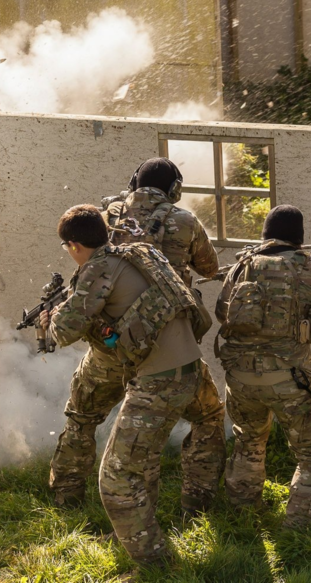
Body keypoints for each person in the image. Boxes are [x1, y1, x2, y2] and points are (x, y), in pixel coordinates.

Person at [45, 204, 224, 565]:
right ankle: (146, 529)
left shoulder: (97, 269)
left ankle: (156, 562)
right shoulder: (140, 252)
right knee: (141, 462)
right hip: (190, 370)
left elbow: (63, 332)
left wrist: (51, 318)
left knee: (116, 479)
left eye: (67, 248)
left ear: (75, 245)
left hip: (161, 382)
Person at [214, 204, 311, 529]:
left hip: (240, 377)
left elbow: (222, 312)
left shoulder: (242, 266)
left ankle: (241, 512)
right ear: (300, 237)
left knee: (248, 441)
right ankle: (299, 526)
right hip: (291, 379)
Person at [104, 157, 219, 286]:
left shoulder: (110, 214)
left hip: (116, 302)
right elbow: (209, 269)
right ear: (175, 189)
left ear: (134, 184)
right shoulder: (187, 220)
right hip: (169, 304)